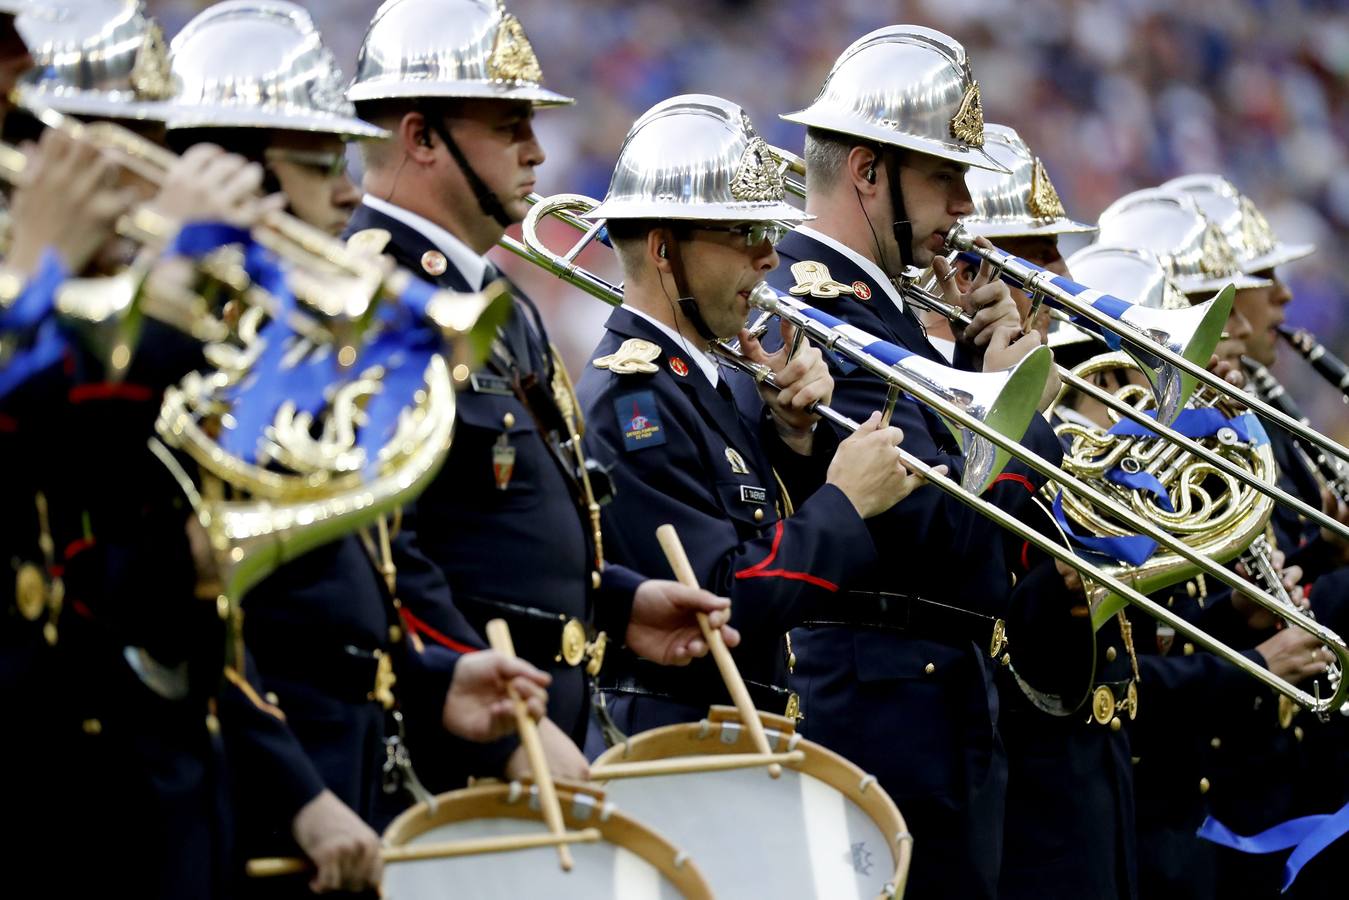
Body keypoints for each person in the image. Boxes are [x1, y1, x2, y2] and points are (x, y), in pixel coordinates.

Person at [345, 0, 739, 780]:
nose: (536, 151)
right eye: (508, 126)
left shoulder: (492, 294)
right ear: (421, 136)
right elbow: (383, 544)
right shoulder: (368, 295)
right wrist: (498, 731)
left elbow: (501, 526)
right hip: (450, 743)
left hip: (534, 724)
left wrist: (617, 603)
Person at [766, 25, 1073, 899]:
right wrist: (1021, 414)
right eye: (946, 177)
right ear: (868, 172)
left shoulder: (885, 312)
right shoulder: (812, 311)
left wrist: (980, 378)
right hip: (881, 718)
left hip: (927, 710)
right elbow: (942, 535)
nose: (967, 207)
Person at [575, 93, 924, 732]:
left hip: (728, 738)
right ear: (662, 247)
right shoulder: (635, 400)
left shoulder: (695, 380)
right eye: (744, 234)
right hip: (680, 744)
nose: (769, 257)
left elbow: (752, 537)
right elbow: (722, 598)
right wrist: (844, 503)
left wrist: (792, 437)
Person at [951, 123, 1138, 900]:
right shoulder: (966, 391)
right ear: (971, 270)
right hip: (1019, 772)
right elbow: (980, 584)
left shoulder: (1058, 399)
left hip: (1094, 766)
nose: (1064, 272)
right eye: (1038, 253)